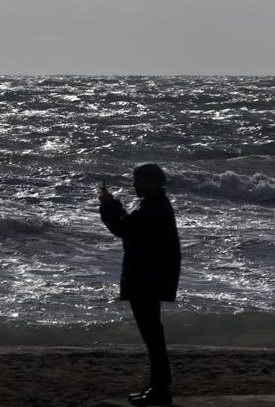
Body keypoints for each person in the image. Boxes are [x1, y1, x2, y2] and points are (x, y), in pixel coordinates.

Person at [99, 163, 181, 406]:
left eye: (138, 180)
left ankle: (161, 389)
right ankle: (158, 386)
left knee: (152, 334)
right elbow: (130, 226)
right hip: (151, 277)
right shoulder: (155, 204)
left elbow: (124, 228)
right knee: (153, 333)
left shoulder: (154, 207)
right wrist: (113, 205)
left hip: (148, 278)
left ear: (152, 182)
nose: (134, 184)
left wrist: (108, 205)